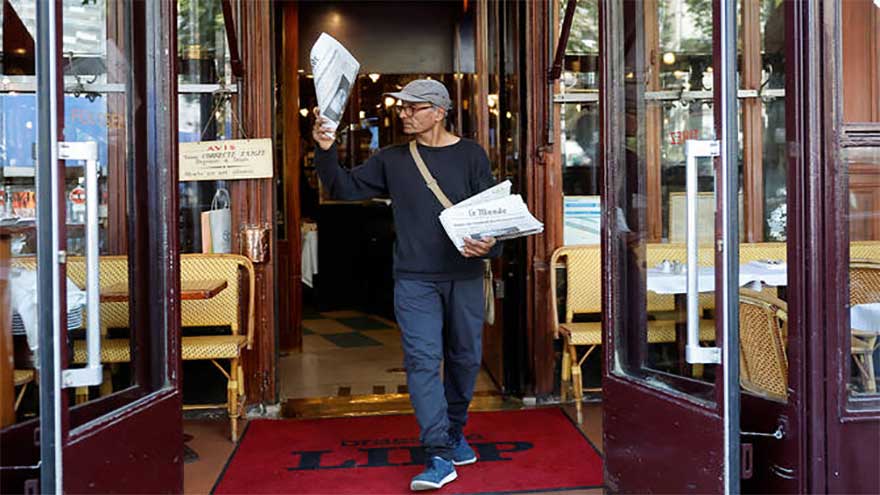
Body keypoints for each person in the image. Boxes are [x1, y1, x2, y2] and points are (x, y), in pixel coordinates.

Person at [312, 79, 500, 491]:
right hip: (414, 279)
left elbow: (490, 216)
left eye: (412, 108)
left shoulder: (471, 155)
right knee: (421, 360)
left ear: (438, 111)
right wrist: (325, 151)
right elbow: (342, 187)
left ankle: (454, 431)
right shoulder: (392, 159)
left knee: (466, 359)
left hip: (465, 276)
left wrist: (490, 245)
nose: (403, 114)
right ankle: (437, 451)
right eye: (402, 108)